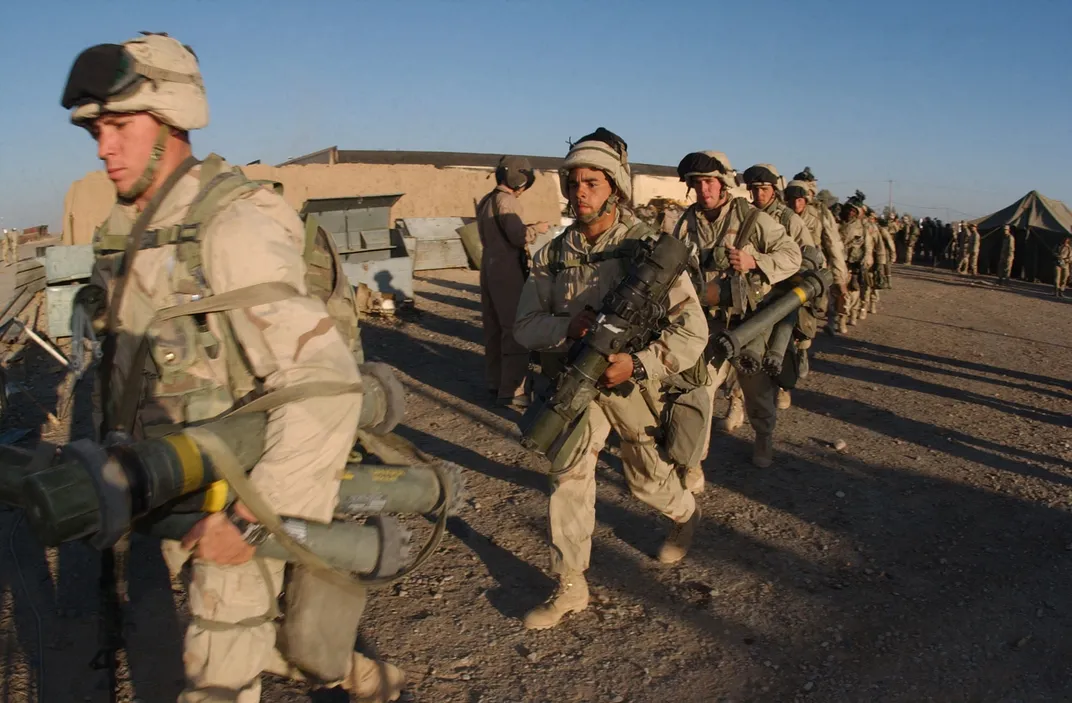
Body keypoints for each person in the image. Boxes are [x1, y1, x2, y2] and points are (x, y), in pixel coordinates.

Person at [61, 32, 403, 701]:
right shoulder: (133, 229)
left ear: (171, 119)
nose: (104, 148)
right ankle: (354, 671)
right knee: (260, 643)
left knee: (218, 676)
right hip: (167, 486)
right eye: (96, 130)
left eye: (120, 127)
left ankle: (339, 663)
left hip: (241, 497)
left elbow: (324, 386)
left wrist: (251, 519)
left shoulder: (234, 225)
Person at [514, 128, 704, 629]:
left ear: (614, 187)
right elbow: (525, 326)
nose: (580, 192)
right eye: (573, 182)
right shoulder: (553, 254)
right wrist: (566, 326)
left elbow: (693, 331)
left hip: (631, 385)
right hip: (577, 384)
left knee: (647, 482)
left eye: (592, 183)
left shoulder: (650, 252)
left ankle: (684, 513)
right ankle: (571, 584)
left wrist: (639, 364)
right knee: (567, 477)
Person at [671, 151, 801, 468]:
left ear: (723, 183)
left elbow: (792, 255)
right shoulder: (686, 224)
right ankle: (694, 461)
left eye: (709, 182)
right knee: (699, 390)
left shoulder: (751, 218)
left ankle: (763, 436)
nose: (704, 190)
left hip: (748, 325)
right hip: (705, 324)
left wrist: (755, 261)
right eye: (696, 184)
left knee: (756, 392)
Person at [476, 156, 549, 409]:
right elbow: (518, 236)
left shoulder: (488, 199)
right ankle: (513, 390)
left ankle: (495, 382)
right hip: (507, 267)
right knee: (515, 328)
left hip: (489, 265)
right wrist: (537, 228)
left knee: (494, 329)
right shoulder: (507, 201)